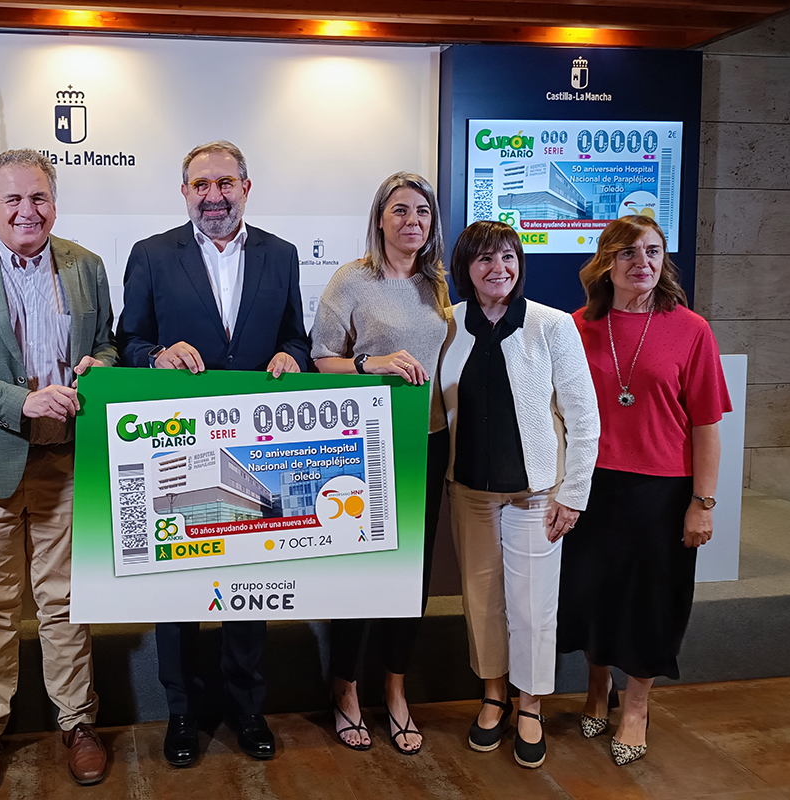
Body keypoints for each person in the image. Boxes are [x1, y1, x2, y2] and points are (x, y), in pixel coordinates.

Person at [117, 139, 310, 766]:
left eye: (225, 183)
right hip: (177, 447)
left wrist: (294, 356)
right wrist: (157, 356)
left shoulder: (281, 256)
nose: (214, 196)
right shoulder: (151, 255)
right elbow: (130, 342)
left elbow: (295, 336)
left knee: (246, 588)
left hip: (258, 452)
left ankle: (246, 707)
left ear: (246, 188)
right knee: (179, 587)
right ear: (184, 193)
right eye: (201, 185)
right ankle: (181, 713)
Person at [0, 149, 116, 791]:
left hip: (66, 461)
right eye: (12, 199)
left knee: (67, 604)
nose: (27, 210)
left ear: (53, 203)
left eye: (38, 198)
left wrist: (100, 368)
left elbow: (107, 345)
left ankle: (77, 721)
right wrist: (22, 401)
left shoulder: (86, 267)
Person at [558, 214, 731, 766]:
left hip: (663, 491)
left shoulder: (691, 329)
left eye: (653, 251)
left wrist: (702, 504)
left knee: (651, 603)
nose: (643, 263)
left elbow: (706, 427)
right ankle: (595, 688)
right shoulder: (576, 325)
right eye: (629, 252)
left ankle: (635, 707)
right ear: (606, 262)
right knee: (591, 594)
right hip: (591, 486)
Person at [439, 220, 599, 768]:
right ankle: (493, 696)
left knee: (533, 607)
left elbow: (584, 416)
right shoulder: (447, 324)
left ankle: (529, 703)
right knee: (482, 603)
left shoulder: (551, 325)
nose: (498, 268)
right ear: (466, 269)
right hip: (470, 493)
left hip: (536, 493)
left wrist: (573, 493)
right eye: (484, 259)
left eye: (507, 256)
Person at [309, 172, 451, 755]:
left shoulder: (440, 284)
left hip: (429, 442)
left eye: (421, 211)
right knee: (361, 573)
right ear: (380, 218)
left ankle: (394, 689)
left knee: (411, 578)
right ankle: (344, 689)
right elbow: (320, 359)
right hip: (364, 445)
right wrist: (373, 364)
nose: (411, 221)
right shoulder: (353, 280)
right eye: (399, 210)